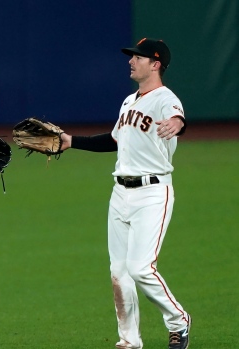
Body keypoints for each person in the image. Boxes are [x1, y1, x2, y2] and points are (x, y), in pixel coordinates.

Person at [59, 38, 190, 349]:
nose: (131, 61)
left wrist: (176, 123)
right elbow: (115, 139)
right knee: (119, 271)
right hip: (120, 194)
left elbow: (177, 118)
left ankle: (178, 321)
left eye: (138, 57)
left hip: (152, 194)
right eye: (132, 56)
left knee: (141, 268)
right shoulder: (129, 101)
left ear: (155, 64)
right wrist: (70, 141)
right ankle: (129, 341)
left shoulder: (164, 98)